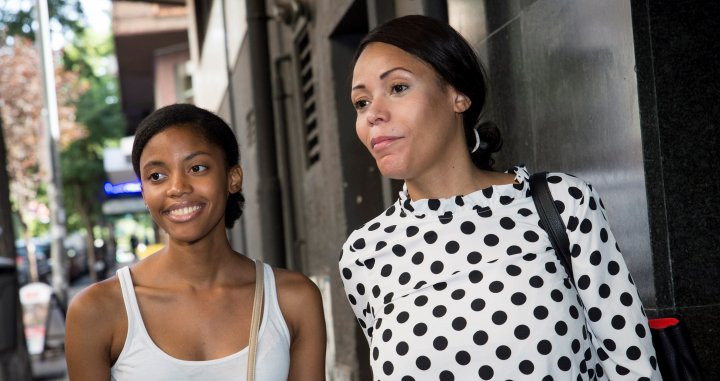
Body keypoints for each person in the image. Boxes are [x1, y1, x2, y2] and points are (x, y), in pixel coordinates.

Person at [339, 15, 660, 380]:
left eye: (397, 88)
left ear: (457, 95)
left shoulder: (560, 204)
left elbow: (632, 368)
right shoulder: (364, 255)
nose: (373, 115)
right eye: (361, 102)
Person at [66, 104, 326, 380]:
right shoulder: (98, 311)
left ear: (232, 178)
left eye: (197, 168)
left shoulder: (293, 299)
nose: (177, 187)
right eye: (157, 176)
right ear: (144, 192)